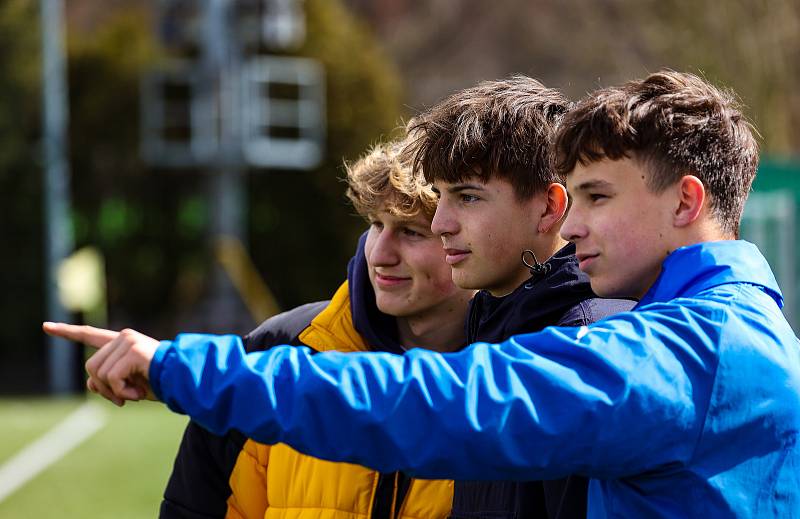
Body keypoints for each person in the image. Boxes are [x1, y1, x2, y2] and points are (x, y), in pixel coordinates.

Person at [46, 70, 800, 518]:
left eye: (597, 197)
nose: (577, 225)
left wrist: (188, 369)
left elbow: (445, 405)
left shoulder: (686, 350)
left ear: (685, 201)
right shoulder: (721, 327)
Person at [159, 140, 477, 518]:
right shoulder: (275, 351)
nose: (379, 254)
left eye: (411, 232)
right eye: (376, 225)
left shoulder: (515, 384)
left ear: (466, 240)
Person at [404, 76, 633, 519]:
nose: (440, 224)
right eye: (439, 196)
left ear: (549, 207)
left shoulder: (587, 347)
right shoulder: (494, 323)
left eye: (468, 197)